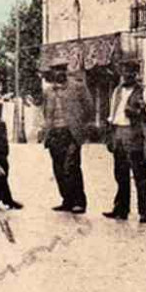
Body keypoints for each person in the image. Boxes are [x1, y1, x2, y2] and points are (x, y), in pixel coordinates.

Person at [104, 68, 146, 224]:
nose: (126, 76)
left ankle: (145, 213)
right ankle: (121, 209)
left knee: (139, 174)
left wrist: (138, 111)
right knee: (120, 174)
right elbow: (112, 113)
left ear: (136, 75)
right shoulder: (117, 91)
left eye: (130, 74)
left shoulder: (145, 91)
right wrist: (110, 131)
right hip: (118, 133)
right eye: (124, 73)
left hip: (135, 135)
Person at [42, 64, 91, 213]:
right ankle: (67, 200)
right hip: (54, 133)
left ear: (66, 71)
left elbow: (89, 108)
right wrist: (47, 130)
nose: (59, 73)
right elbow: (46, 112)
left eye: (62, 70)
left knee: (72, 166)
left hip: (71, 132)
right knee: (58, 168)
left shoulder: (78, 87)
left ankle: (79, 202)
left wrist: (79, 125)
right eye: (55, 71)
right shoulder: (48, 91)